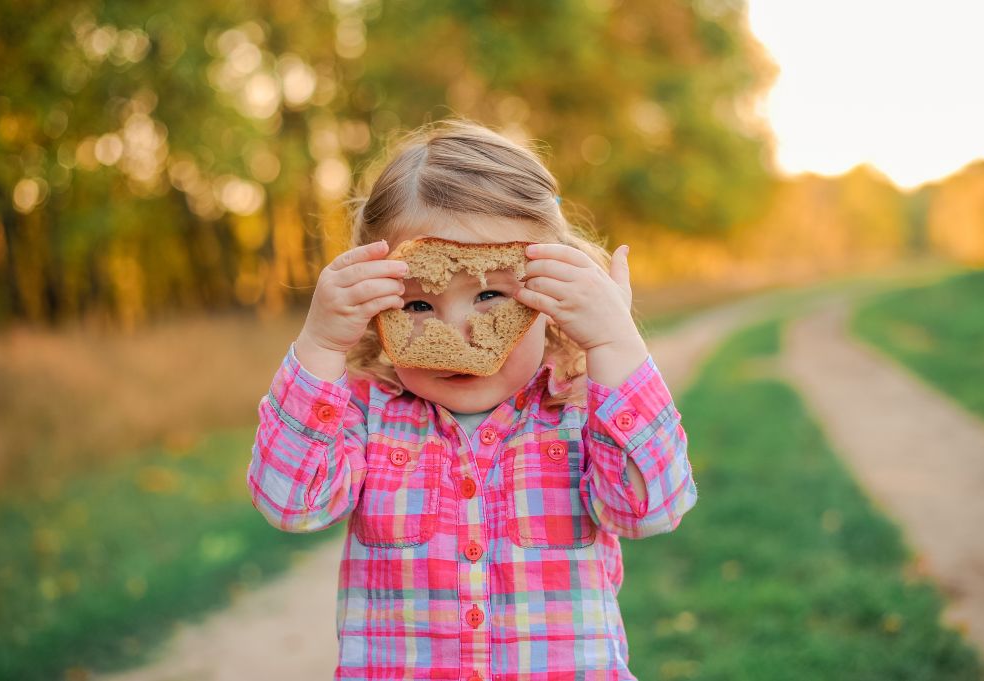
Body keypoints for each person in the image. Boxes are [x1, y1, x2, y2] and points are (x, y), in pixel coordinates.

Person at [247, 118, 698, 680]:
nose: (456, 333)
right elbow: (290, 504)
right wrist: (319, 344)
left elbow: (650, 509)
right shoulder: (364, 416)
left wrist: (614, 343)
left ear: (550, 293)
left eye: (489, 294)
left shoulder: (583, 412)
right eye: (416, 306)